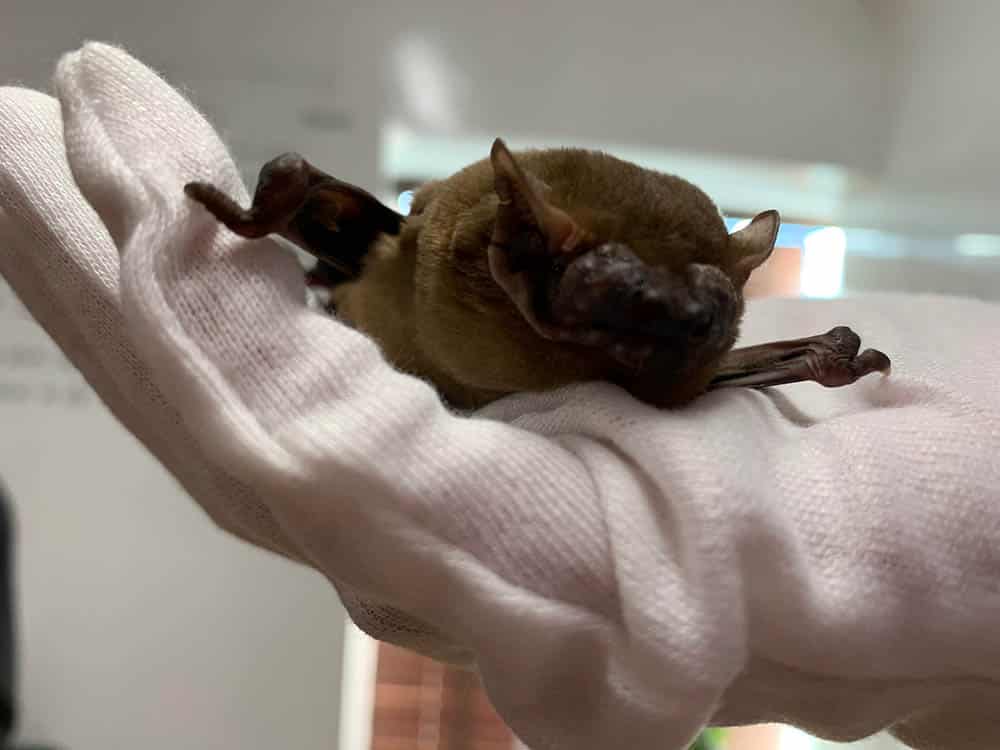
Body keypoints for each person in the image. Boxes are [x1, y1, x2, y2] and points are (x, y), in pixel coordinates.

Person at [1, 43, 999, 750]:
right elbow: (306, 189)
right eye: (603, 304)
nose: (630, 340)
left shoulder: (651, 349)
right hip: (392, 320)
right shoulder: (433, 247)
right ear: (518, 241)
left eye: (689, 317)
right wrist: (259, 220)